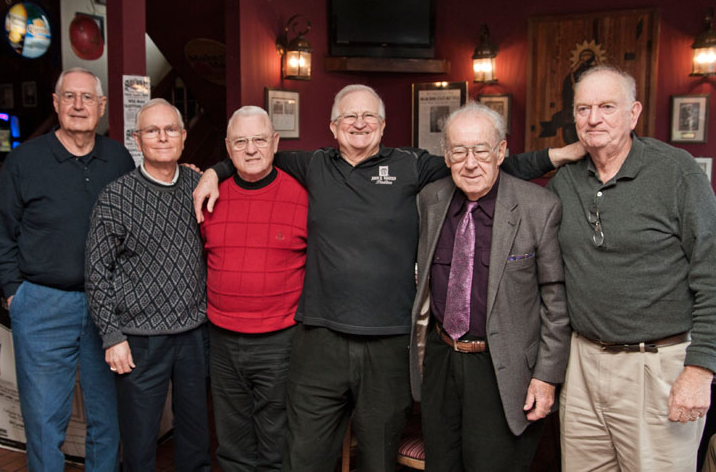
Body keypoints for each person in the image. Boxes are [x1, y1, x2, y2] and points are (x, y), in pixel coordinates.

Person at [193, 84, 585, 472]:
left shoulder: (411, 165)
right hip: (319, 340)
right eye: (350, 115)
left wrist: (558, 155)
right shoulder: (313, 164)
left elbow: (485, 164)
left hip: (388, 343)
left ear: (383, 125)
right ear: (333, 126)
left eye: (369, 116)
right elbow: (256, 156)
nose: (359, 123)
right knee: (304, 457)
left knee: (378, 458)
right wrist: (215, 170)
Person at [547, 65, 716, 471]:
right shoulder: (565, 180)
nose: (593, 118)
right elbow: (493, 172)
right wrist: (553, 154)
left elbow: (712, 272)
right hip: (583, 363)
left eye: (607, 106)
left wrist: (700, 370)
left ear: (634, 113)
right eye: (583, 108)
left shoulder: (676, 172)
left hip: (657, 366)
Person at [409, 103, 570, 470]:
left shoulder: (538, 207)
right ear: (446, 156)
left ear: (500, 152)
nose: (470, 162)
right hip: (442, 360)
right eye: (459, 151)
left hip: (503, 368)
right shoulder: (430, 201)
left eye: (481, 150)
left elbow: (556, 302)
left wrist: (546, 376)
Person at [0, 67, 133, 471]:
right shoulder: (24, 160)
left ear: (102, 107)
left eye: (87, 98)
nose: (78, 105)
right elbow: (0, 233)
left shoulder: (118, 158)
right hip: (42, 305)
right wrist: (17, 293)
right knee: (43, 422)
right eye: (69, 97)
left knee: (108, 419)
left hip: (107, 309)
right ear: (55, 104)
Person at [86, 99, 209, 471]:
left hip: (194, 333)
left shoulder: (198, 184)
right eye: (152, 131)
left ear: (184, 137)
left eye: (171, 129)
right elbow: (96, 272)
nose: (162, 137)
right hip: (138, 339)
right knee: (139, 443)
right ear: (138, 140)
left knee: (195, 436)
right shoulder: (116, 197)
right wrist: (112, 336)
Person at [200, 106, 308, 471]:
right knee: (232, 444)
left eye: (259, 139)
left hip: (280, 340)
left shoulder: (302, 195)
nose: (251, 150)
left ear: (275, 143)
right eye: (241, 142)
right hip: (223, 340)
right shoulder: (209, 196)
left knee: (276, 442)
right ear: (227, 149)